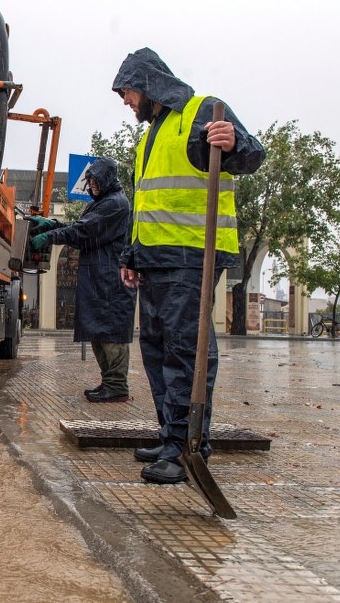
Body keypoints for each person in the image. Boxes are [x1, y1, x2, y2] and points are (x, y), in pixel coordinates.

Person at [112, 48, 266, 483]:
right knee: (157, 351)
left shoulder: (202, 112)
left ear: (146, 84)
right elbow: (146, 204)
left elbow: (252, 155)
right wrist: (131, 255)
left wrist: (234, 143)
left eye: (126, 92)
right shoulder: (151, 137)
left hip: (192, 254)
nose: (126, 102)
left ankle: (186, 448)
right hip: (155, 258)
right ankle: (170, 437)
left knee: (186, 353)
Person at [30, 157, 137, 403]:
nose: (92, 185)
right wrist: (53, 225)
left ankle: (117, 386)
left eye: (96, 181)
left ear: (107, 179)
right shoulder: (102, 203)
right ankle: (109, 383)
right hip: (100, 278)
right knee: (99, 332)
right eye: (90, 181)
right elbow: (82, 227)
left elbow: (84, 231)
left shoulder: (115, 204)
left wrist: (50, 235)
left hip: (110, 281)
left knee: (110, 334)